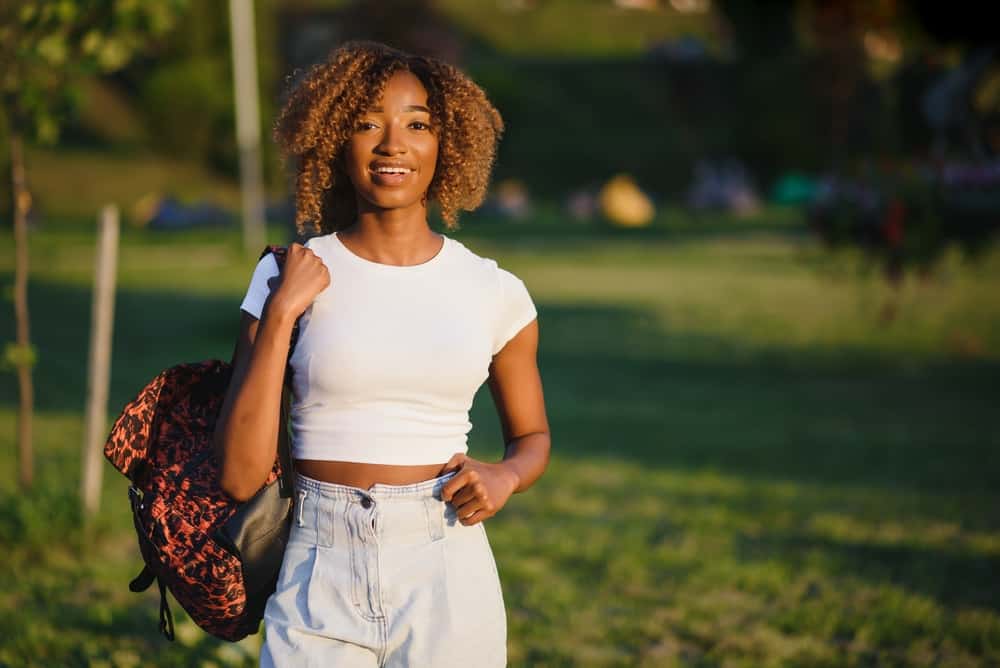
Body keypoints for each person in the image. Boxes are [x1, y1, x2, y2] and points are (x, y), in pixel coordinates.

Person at [213, 41, 550, 667]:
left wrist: (505, 475)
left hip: (446, 564)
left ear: (445, 143)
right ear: (337, 140)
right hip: (317, 569)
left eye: (417, 124)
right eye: (368, 123)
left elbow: (531, 437)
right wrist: (283, 310)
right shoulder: (286, 276)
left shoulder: (495, 292)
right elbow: (238, 474)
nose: (393, 143)